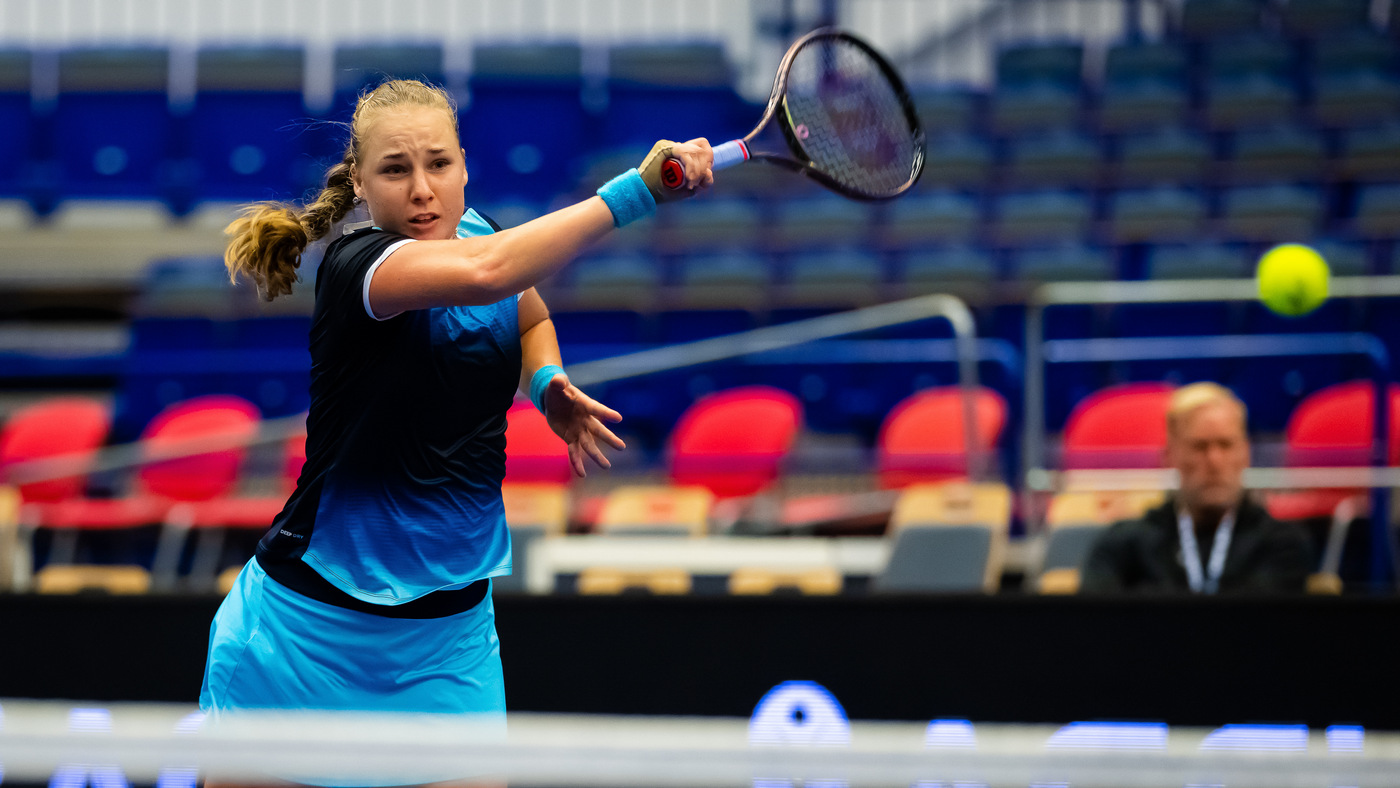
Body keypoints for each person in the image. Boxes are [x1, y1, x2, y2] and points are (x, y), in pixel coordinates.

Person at [202, 78, 714, 783]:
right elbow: (486, 275)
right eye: (395, 170)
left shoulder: (481, 231)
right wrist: (637, 191)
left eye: (438, 164)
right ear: (360, 183)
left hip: (448, 644)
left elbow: (527, 313)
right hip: (304, 636)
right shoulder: (361, 268)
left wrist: (547, 384)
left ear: (464, 165)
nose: (422, 190)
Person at [1079, 382, 1313, 594]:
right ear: (1170, 456)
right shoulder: (1125, 546)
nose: (1214, 461)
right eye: (1199, 447)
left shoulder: (1281, 545)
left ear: (1245, 453)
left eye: (1226, 445)